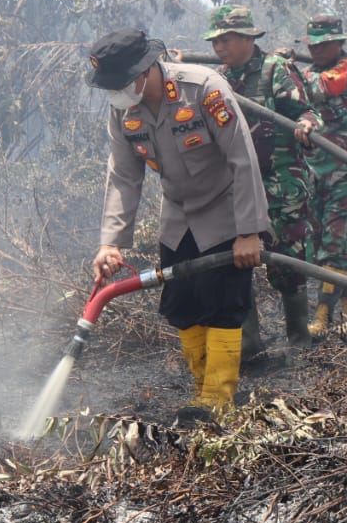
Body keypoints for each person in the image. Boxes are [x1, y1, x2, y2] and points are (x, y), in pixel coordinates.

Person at [88, 28, 269, 420]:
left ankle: (219, 401)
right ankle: (201, 391)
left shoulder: (203, 89)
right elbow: (123, 175)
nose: (115, 94)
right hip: (179, 215)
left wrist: (250, 231)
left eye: (119, 84)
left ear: (144, 71)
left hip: (226, 210)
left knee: (224, 304)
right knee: (183, 304)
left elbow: (242, 158)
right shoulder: (124, 110)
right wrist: (111, 242)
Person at [201, 5, 321, 357]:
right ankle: (251, 348)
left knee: (288, 262)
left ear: (248, 37)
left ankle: (299, 342)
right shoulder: (217, 79)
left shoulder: (276, 71)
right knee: (238, 262)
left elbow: (307, 112)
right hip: (238, 188)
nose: (219, 47)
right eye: (215, 41)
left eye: (226, 39)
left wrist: (309, 127)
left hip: (282, 185)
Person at [298, 15, 347, 336]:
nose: (316, 50)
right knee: (322, 244)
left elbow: (320, 88)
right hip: (315, 172)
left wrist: (287, 71)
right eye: (312, 45)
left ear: (339, 42)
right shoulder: (308, 71)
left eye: (323, 44)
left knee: (335, 245)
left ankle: (323, 315)